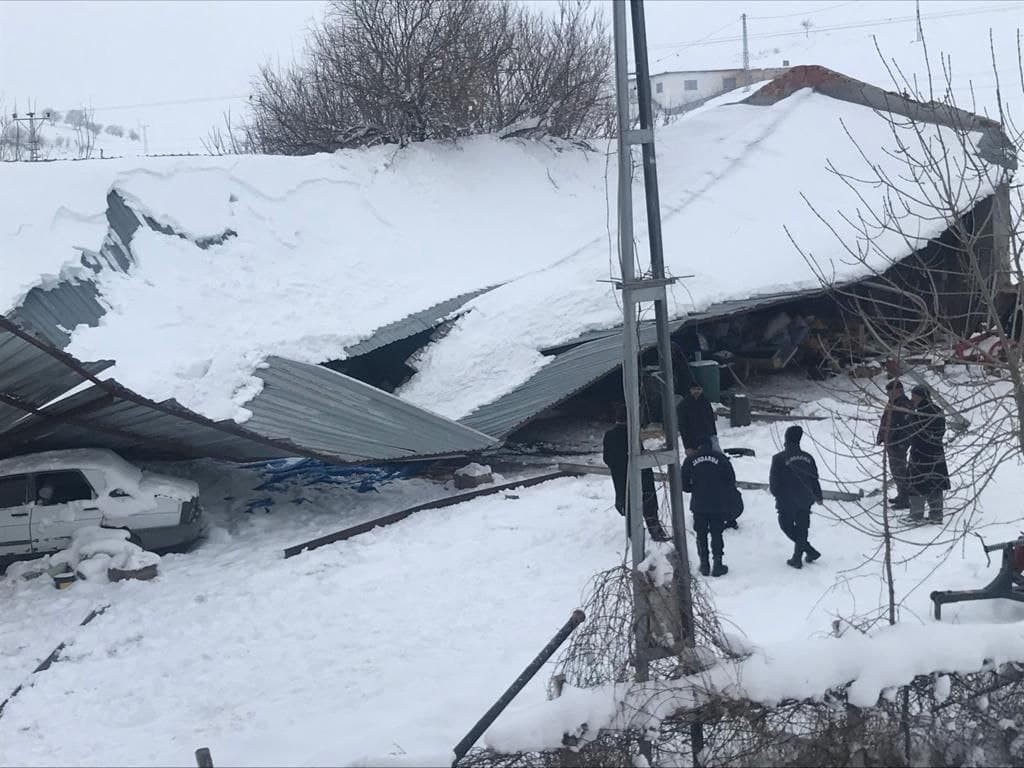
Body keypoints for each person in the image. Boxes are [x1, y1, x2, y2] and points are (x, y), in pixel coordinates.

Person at [602, 404, 670, 542]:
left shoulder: (609, 435)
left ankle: (634, 535)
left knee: (629, 503)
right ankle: (656, 531)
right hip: (641, 472)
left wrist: (617, 467)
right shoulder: (632, 433)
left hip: (621, 475)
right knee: (648, 501)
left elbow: (607, 458)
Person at [680, 438, 739, 577]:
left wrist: (693, 488)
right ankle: (718, 564)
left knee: (701, 534)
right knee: (717, 533)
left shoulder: (690, 460)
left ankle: (704, 564)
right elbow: (731, 480)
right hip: (717, 503)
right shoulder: (721, 458)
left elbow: (684, 484)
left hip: (699, 504)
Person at [769, 425, 823, 569]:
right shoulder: (808, 458)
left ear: (786, 438)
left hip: (786, 500)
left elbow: (774, 484)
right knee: (802, 528)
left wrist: (777, 494)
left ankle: (802, 555)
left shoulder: (778, 458)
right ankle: (802, 554)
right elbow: (814, 479)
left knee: (786, 525)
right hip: (806, 499)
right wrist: (818, 496)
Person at [904, 384, 950, 525]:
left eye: (914, 396)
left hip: (920, 454)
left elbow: (916, 432)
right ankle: (936, 514)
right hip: (936, 453)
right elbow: (939, 432)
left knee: (917, 484)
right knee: (935, 484)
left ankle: (916, 515)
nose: (912, 398)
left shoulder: (918, 413)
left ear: (920, 396)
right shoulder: (937, 410)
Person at [876, 379, 913, 509]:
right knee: (895, 470)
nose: (888, 395)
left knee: (900, 471)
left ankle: (905, 498)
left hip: (898, 443)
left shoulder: (904, 404)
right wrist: (881, 436)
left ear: (898, 391)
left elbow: (907, 426)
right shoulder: (892, 403)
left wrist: (902, 442)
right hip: (891, 441)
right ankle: (901, 494)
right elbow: (885, 420)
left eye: (891, 392)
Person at [677, 382, 718, 458]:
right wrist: (687, 446)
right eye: (694, 389)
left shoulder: (705, 401)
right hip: (693, 440)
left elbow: (711, 420)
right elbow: (682, 427)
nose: (697, 391)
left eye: (699, 389)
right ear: (690, 390)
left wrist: (714, 436)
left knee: (715, 458)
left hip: (708, 438)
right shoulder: (683, 405)